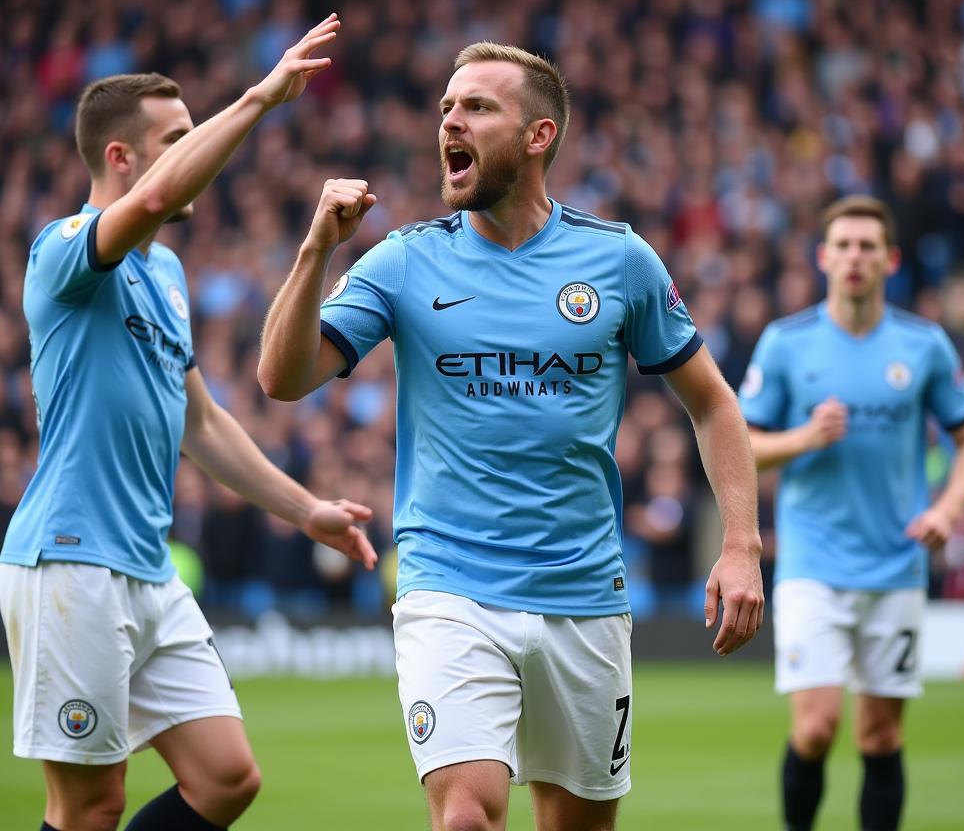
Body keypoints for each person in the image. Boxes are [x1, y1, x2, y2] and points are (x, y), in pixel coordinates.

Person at [258, 42, 764, 831]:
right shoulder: (402, 261)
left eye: (476, 107)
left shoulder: (618, 259)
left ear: (539, 136)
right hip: (449, 585)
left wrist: (740, 545)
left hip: (585, 595)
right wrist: (316, 249)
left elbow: (714, 404)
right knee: (466, 816)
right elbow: (282, 379)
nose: (450, 122)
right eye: (445, 109)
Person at [0, 15, 378, 831]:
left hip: (144, 568)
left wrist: (303, 507)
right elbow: (164, 194)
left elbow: (200, 423)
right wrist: (260, 97)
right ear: (120, 158)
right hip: (71, 562)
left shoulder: (165, 270)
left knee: (227, 778)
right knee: (90, 806)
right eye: (179, 135)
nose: (195, 149)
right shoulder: (62, 251)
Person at [738, 195, 964, 831]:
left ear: (889, 260)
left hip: (896, 564)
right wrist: (802, 438)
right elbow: (741, 445)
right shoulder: (787, 343)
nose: (854, 257)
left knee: (879, 735)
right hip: (812, 566)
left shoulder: (923, 346)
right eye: (843, 246)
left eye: (867, 247)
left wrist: (950, 508)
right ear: (824, 258)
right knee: (818, 727)